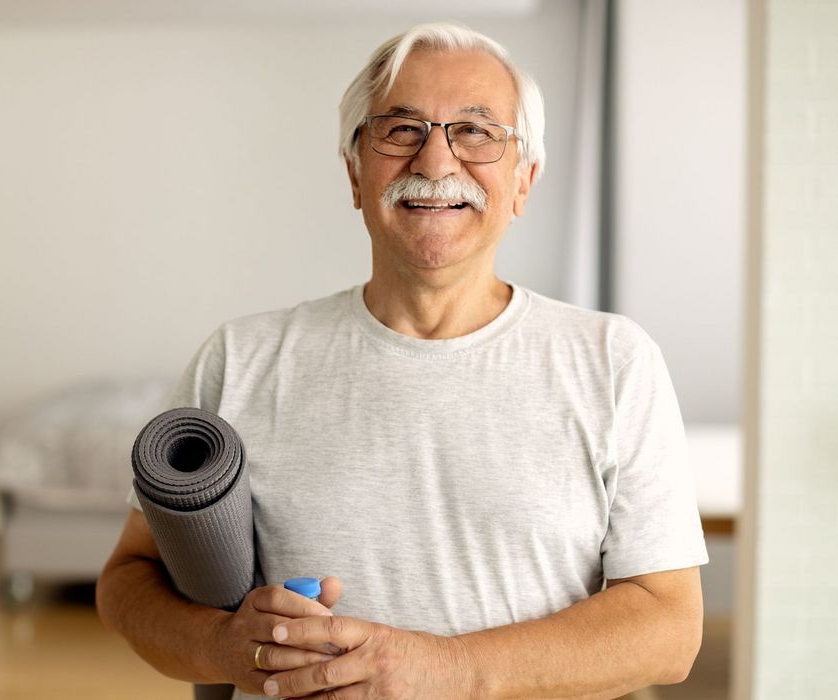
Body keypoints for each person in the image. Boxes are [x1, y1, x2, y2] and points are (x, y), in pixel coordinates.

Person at [96, 22, 707, 699]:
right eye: (400, 129)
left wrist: (445, 669)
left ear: (523, 181)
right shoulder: (240, 359)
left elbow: (668, 629)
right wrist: (219, 646)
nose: (436, 163)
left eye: (476, 132)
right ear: (355, 172)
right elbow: (128, 582)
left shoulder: (614, 362)